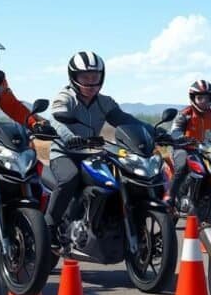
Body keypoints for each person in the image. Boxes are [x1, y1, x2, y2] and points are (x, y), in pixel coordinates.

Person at [45, 51, 147, 243]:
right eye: (85, 77)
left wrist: (151, 132)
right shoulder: (65, 98)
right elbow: (56, 121)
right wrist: (70, 138)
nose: (91, 83)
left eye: (95, 77)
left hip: (92, 152)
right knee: (70, 178)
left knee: (118, 178)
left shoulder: (104, 102)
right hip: (65, 152)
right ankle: (49, 226)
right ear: (73, 77)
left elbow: (125, 120)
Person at [168, 79, 211, 206]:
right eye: (200, 98)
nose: (204, 101)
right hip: (184, 148)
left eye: (207, 98)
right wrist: (182, 138)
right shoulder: (184, 114)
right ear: (193, 99)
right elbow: (175, 131)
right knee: (182, 165)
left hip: (208, 150)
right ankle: (170, 197)